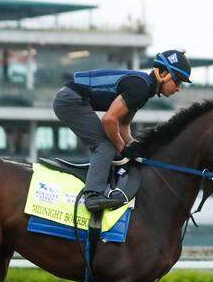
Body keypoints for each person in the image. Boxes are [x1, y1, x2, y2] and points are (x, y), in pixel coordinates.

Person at [53, 49, 191, 212]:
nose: (178, 89)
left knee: (114, 146)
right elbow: (109, 120)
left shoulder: (144, 88)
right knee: (106, 146)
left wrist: (135, 146)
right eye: (178, 82)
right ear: (165, 74)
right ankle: (93, 196)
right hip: (70, 100)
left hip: (72, 97)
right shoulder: (141, 88)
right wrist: (122, 147)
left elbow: (123, 126)